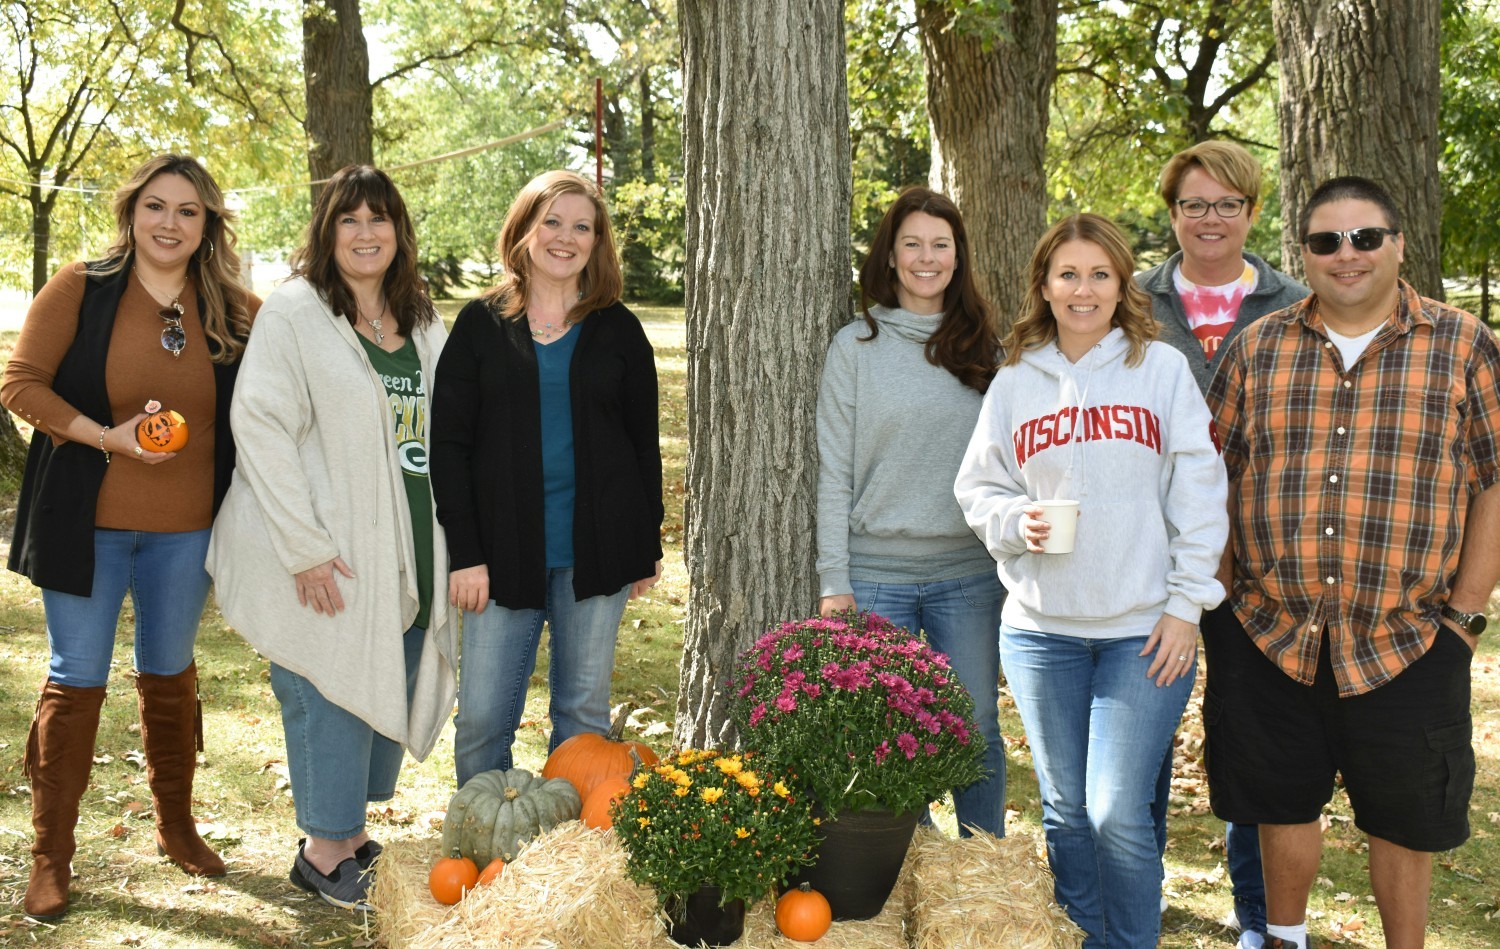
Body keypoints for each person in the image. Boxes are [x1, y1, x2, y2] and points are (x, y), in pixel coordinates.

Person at [1203, 175, 1500, 949]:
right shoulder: (1258, 346)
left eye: (1366, 237)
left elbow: (1495, 481)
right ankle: (1284, 938)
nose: (1347, 254)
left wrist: (1465, 616)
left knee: (1405, 817)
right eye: (1326, 240)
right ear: (1302, 253)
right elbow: (1214, 475)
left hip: (1410, 636)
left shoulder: (1462, 344)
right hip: (1271, 630)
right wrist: (1228, 600)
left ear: (1400, 243)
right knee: (1281, 801)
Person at [955, 213, 1228, 948]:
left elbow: (1201, 492)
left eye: (1100, 274)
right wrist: (1018, 522)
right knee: (1066, 810)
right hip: (1042, 633)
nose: (1084, 289)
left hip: (1144, 633)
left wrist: (1185, 605)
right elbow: (979, 487)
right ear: (1043, 285)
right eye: (1068, 274)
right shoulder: (1016, 378)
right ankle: (1081, 935)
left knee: (1116, 811)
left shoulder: (1161, 370)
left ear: (1122, 283)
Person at [1, 155, 258, 920]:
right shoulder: (81, 287)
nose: (169, 223)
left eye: (187, 210)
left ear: (207, 223)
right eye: (156, 206)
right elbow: (20, 384)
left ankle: (176, 828)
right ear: (132, 212)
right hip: (87, 523)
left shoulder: (236, 307)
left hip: (187, 532)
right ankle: (51, 856)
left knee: (170, 675)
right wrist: (104, 437)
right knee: (75, 678)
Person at [205, 165, 458, 912]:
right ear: (327, 232)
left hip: (408, 537)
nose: (366, 233)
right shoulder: (295, 312)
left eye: (379, 218)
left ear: (399, 232)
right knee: (326, 683)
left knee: (387, 668)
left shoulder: (421, 319)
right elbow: (260, 426)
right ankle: (322, 850)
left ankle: (349, 839)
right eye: (349, 219)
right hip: (323, 542)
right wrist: (305, 546)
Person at [430, 170, 662, 787]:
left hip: (599, 549)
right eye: (552, 221)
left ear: (597, 241)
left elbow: (644, 446)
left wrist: (644, 546)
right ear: (525, 229)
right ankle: (485, 848)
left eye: (581, 226)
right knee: (481, 717)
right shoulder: (481, 325)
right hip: (501, 554)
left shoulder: (619, 329)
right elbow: (448, 446)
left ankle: (565, 857)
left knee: (582, 716)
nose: (565, 238)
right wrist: (466, 554)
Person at [1137, 140, 1309, 946]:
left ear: (1252, 212)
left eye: (1227, 204)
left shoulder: (1297, 303)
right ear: (1172, 214)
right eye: (1194, 205)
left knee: (1248, 748)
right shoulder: (1130, 301)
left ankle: (1254, 921)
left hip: (1258, 566)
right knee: (1143, 740)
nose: (1211, 219)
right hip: (1146, 559)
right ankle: (1132, 903)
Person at [814, 185, 1007, 837]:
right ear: (890, 258)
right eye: (912, 245)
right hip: (874, 577)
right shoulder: (855, 348)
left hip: (969, 574)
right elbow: (833, 471)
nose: (927, 258)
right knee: (886, 733)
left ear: (959, 257)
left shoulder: (986, 349)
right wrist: (834, 582)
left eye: (941, 245)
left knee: (975, 721)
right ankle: (908, 860)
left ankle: (984, 862)